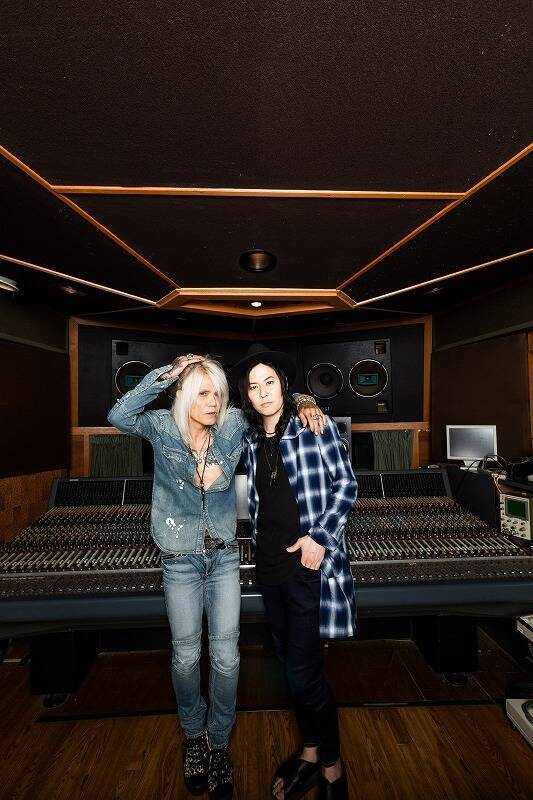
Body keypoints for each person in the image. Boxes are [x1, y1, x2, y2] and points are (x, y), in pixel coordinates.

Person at [108, 352, 323, 800]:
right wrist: (168, 373)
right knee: (186, 657)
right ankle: (194, 737)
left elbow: (271, 400)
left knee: (226, 658)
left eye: (219, 394)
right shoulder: (161, 426)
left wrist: (305, 400)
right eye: (203, 394)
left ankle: (219, 743)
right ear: (185, 395)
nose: (213, 403)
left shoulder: (232, 424)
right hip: (179, 558)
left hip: (223, 557)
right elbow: (118, 414)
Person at [231, 347, 357, 800]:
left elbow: (347, 484)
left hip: (307, 566)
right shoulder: (249, 439)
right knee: (292, 666)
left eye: (270, 382)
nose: (263, 392)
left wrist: (319, 538)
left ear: (284, 385)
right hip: (269, 568)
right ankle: (309, 751)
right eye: (254, 386)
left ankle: (332, 766)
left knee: (303, 674)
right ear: (247, 395)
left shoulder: (313, 426)